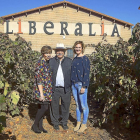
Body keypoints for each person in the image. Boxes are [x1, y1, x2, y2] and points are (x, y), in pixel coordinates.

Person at [49, 43, 72, 130]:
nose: (59, 52)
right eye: (58, 51)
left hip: (66, 88)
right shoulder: (51, 61)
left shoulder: (69, 61)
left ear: (64, 52)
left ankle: (64, 122)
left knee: (65, 106)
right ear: (55, 52)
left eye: (61, 51)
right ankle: (55, 123)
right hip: (54, 88)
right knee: (54, 106)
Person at [32, 45, 52, 133]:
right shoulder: (40, 63)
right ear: (43, 53)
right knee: (44, 108)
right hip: (41, 90)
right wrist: (41, 94)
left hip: (46, 89)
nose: (49, 55)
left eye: (50, 53)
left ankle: (40, 126)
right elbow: (39, 80)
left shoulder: (46, 62)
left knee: (41, 108)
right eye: (47, 53)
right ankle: (35, 125)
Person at [71, 41, 90, 133]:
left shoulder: (85, 59)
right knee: (78, 105)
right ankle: (78, 122)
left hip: (81, 85)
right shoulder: (75, 59)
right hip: (74, 84)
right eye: (76, 47)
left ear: (82, 48)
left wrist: (84, 86)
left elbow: (87, 73)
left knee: (84, 106)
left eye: (79, 47)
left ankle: (84, 124)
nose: (77, 49)